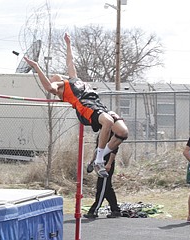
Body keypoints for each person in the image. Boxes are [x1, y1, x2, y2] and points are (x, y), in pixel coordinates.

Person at [24, 33, 128, 177]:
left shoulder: (73, 80)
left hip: (97, 104)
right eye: (53, 77)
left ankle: (96, 157)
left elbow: (70, 61)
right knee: (108, 121)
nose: (55, 75)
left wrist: (68, 44)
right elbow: (49, 87)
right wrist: (36, 67)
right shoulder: (61, 89)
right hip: (85, 106)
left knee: (122, 132)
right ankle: (99, 160)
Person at [84, 132, 121, 219]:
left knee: (102, 188)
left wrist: (109, 164)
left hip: (106, 163)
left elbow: (114, 150)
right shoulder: (102, 133)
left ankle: (94, 210)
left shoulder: (113, 133)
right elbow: (97, 148)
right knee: (107, 188)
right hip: (99, 162)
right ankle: (115, 210)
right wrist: (92, 161)